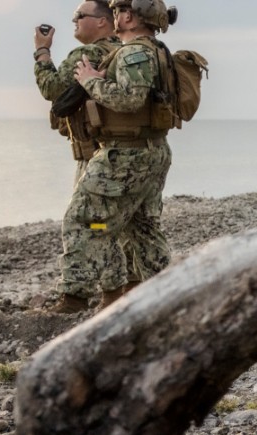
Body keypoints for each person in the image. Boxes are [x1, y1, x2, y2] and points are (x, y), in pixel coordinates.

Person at [52, 0, 180, 314]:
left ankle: (74, 299)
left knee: (83, 219)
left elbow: (131, 100)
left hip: (125, 154)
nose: (115, 16)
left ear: (129, 16)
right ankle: (163, 296)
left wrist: (90, 81)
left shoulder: (135, 52)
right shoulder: (155, 49)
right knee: (141, 228)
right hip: (149, 151)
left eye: (119, 10)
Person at [34, 1, 125, 314]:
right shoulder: (124, 51)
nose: (74, 21)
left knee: (80, 221)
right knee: (104, 225)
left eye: (79, 16)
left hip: (93, 155)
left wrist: (42, 52)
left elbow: (52, 89)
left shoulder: (85, 55)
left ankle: (74, 297)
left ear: (102, 22)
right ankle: (115, 290)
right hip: (122, 151)